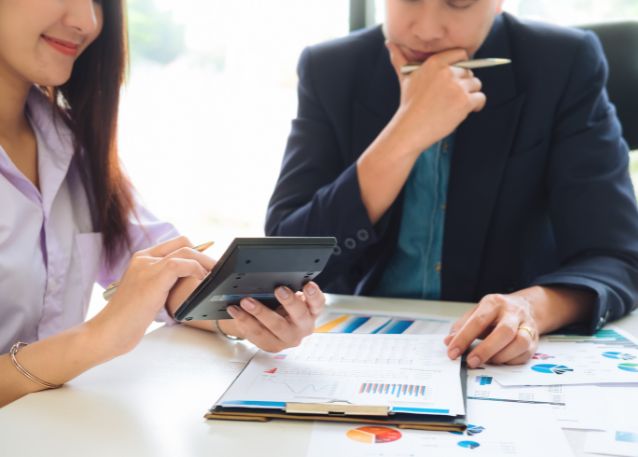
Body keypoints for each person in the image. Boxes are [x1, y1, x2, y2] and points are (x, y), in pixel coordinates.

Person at [266, 0, 638, 368]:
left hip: (496, 356)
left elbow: (616, 257)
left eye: (458, 4)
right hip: (362, 348)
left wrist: (530, 307)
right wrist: (405, 133)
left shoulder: (563, 61)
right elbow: (282, 262)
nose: (427, 29)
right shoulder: (330, 67)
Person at [0, 0, 324, 408]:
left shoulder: (69, 142)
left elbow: (162, 270)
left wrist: (249, 315)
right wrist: (96, 337)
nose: (87, 21)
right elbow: (120, 317)